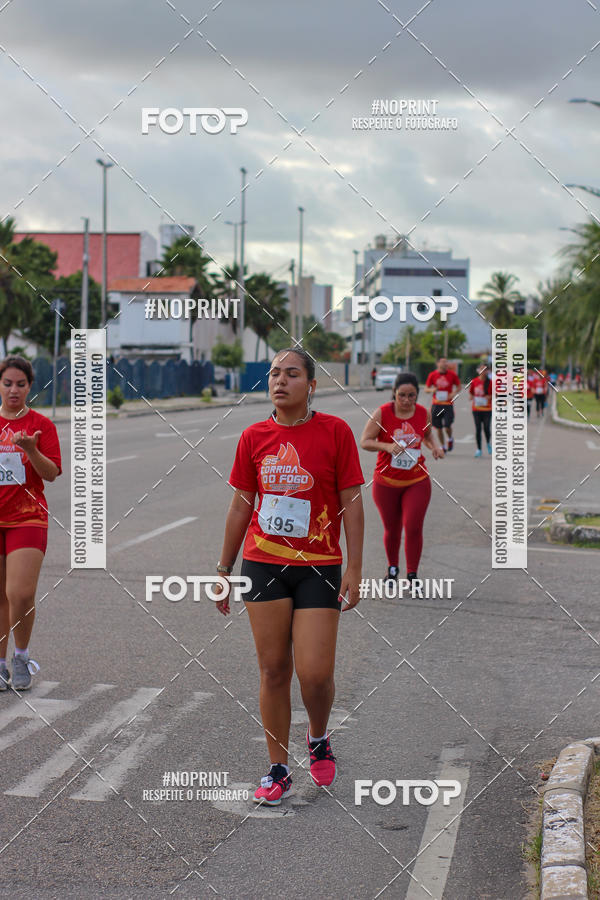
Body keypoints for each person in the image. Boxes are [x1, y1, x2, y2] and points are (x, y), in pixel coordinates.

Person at [216, 348, 364, 806]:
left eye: (292, 374)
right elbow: (242, 504)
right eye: (275, 373)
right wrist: (223, 568)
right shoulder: (254, 436)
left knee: (315, 674)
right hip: (263, 564)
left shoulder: (335, 432)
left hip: (319, 566)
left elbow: (352, 503)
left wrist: (355, 568)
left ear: (311, 385)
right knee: (273, 669)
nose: (280, 381)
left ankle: (317, 735)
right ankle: (277, 768)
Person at [0, 356, 62, 691]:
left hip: (28, 517)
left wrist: (30, 449)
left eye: (20, 384)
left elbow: (51, 473)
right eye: (7, 383)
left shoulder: (40, 425)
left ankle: (21, 656)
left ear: (29, 387)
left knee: (19, 594)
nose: (13, 390)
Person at [360, 372, 444, 584]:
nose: (407, 400)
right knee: (392, 528)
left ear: (417, 395)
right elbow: (365, 441)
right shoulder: (382, 413)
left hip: (417, 480)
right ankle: (393, 568)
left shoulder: (423, 413)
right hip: (386, 482)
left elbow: (426, 435)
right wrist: (387, 446)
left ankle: (413, 574)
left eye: (412, 395)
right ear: (394, 393)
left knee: (414, 526)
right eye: (402, 395)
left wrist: (435, 446)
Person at [424, 358, 460, 452]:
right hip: (437, 404)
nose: (445, 364)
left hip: (448, 404)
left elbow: (459, 386)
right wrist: (432, 390)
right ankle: (443, 446)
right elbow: (426, 389)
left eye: (446, 362)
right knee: (438, 427)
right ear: (438, 363)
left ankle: (450, 438)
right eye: (443, 362)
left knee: (447, 425)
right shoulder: (432, 375)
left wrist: (453, 393)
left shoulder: (452, 374)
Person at [469, 364, 492, 456]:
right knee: (478, 429)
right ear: (478, 370)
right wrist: (471, 397)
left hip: (487, 409)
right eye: (481, 369)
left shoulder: (490, 382)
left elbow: (495, 395)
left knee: (486, 428)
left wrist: (488, 397)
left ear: (488, 371)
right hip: (476, 409)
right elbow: (471, 393)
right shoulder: (474, 381)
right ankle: (479, 449)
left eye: (485, 369)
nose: (483, 371)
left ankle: (488, 444)